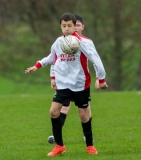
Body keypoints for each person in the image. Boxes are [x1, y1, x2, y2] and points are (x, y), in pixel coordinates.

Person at [25, 13, 108, 157]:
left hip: (80, 84)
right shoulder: (58, 42)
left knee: (83, 115)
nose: (67, 28)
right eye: (64, 26)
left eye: (70, 25)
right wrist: (37, 65)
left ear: (75, 26)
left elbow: (96, 59)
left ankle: (90, 145)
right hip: (63, 84)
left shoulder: (82, 42)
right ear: (60, 26)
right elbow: (51, 58)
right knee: (53, 111)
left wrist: (101, 79)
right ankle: (59, 145)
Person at [50, 15, 99, 141]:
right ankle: (57, 137)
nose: (75, 28)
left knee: (85, 109)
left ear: (82, 27)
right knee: (63, 107)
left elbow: (95, 60)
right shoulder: (61, 41)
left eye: (78, 25)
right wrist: (53, 76)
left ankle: (87, 136)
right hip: (65, 81)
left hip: (80, 81)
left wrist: (100, 78)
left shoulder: (86, 42)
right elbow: (55, 59)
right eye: (72, 25)